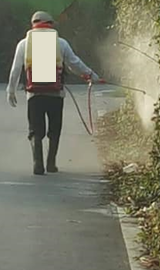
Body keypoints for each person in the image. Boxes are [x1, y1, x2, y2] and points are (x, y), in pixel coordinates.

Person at [6, 11, 103, 175]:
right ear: (50, 24)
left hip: (34, 95)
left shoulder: (24, 43)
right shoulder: (61, 43)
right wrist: (91, 75)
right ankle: (51, 164)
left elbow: (16, 69)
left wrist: (11, 90)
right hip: (55, 94)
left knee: (36, 130)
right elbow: (75, 63)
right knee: (54, 129)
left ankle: (38, 164)